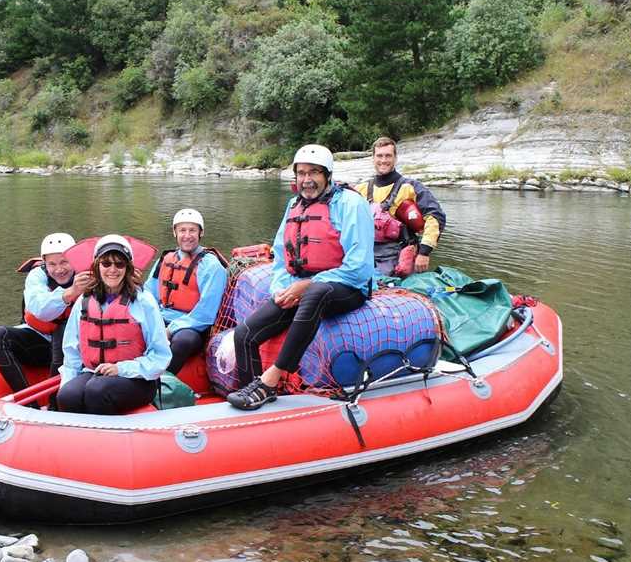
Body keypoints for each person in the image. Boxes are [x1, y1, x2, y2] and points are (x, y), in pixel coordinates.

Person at [226, 145, 375, 410]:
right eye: (301, 173)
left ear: (328, 175)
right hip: (301, 287)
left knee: (315, 293)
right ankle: (252, 393)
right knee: (245, 333)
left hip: (347, 287)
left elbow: (360, 267)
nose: (307, 180)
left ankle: (271, 379)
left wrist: (306, 285)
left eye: (314, 173)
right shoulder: (294, 205)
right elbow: (281, 255)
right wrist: (281, 289)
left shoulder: (351, 203)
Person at [57, 234, 171, 414]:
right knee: (67, 396)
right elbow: (71, 351)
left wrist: (120, 368)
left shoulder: (143, 301)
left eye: (119, 264)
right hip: (94, 372)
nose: (113, 269)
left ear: (128, 268)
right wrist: (68, 383)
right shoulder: (84, 301)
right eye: (106, 263)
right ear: (97, 266)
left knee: (97, 390)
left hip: (138, 378)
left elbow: (160, 355)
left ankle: (103, 439)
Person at [0, 233, 93, 394]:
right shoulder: (37, 276)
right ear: (44, 263)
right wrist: (71, 292)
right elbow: (41, 311)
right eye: (52, 264)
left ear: (75, 260)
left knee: (64, 330)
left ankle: (54, 403)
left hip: (77, 349)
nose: (59, 269)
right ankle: (29, 402)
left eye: (64, 262)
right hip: (40, 344)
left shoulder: (89, 275)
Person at [144, 208, 228, 376]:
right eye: (182, 230)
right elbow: (147, 295)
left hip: (193, 327)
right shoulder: (165, 259)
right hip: (161, 318)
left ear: (201, 233)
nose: (187, 235)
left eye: (192, 230)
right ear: (174, 232)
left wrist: (170, 330)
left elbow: (206, 313)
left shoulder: (211, 266)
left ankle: (161, 382)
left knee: (183, 341)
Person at [354, 136, 446, 277]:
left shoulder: (411, 187)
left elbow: (435, 216)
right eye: (379, 156)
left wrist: (424, 252)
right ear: (373, 158)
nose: (383, 160)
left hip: (399, 253)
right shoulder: (360, 189)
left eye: (388, 156)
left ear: (395, 158)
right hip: (367, 252)